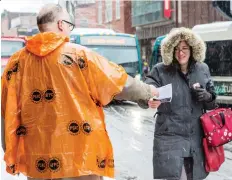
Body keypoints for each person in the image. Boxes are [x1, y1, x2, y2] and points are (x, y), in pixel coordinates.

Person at [1, 4, 159, 180]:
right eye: (69, 25)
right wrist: (148, 91)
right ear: (61, 24)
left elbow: (7, 111)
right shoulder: (79, 56)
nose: (69, 29)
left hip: (38, 161)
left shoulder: (16, 63)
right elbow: (118, 82)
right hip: (80, 159)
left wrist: (9, 147)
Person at [140, 27, 217, 180]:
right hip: (170, 139)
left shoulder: (202, 69)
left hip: (195, 141)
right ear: (171, 51)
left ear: (192, 49)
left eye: (184, 48)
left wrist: (208, 97)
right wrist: (149, 99)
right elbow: (146, 91)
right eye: (176, 49)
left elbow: (212, 104)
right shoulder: (160, 70)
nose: (180, 53)